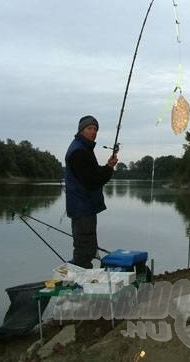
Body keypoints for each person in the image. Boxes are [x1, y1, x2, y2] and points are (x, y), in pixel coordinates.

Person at [65, 115, 118, 268]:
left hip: (84, 207)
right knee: (84, 249)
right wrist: (108, 169)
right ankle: (82, 283)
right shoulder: (79, 151)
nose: (93, 132)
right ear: (81, 130)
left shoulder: (84, 148)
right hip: (82, 207)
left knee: (87, 246)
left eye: (95, 129)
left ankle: (83, 278)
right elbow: (92, 182)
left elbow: (92, 174)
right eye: (89, 128)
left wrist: (108, 165)